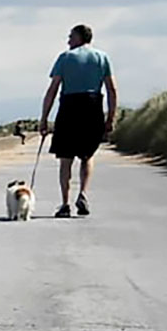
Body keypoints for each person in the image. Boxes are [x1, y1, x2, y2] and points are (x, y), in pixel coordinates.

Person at [39, 24, 118, 217]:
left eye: (71, 37)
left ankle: (65, 204)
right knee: (87, 155)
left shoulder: (65, 58)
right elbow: (111, 89)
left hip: (70, 106)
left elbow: (53, 89)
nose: (68, 41)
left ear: (81, 38)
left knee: (65, 159)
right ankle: (83, 193)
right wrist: (110, 117)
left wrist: (44, 118)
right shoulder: (102, 57)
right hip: (93, 106)